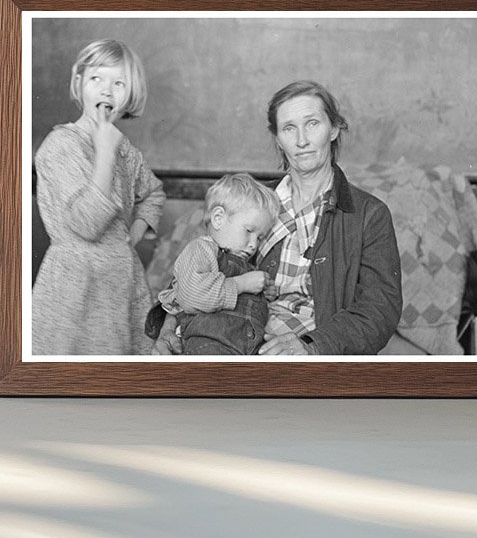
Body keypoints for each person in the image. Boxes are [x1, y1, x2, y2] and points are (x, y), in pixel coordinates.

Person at [154, 81, 403, 356]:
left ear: (333, 129)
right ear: (277, 139)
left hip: (302, 357)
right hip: (226, 342)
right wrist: (168, 330)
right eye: (289, 128)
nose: (301, 141)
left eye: (312, 124)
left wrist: (312, 346)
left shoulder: (368, 214)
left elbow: (379, 309)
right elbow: (194, 269)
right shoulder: (254, 199)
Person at [31, 39, 164, 356]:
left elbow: (153, 193)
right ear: (79, 85)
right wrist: (105, 152)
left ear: (130, 94)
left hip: (122, 283)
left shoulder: (125, 150)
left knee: (120, 382)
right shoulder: (60, 144)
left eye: (119, 83)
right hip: (75, 287)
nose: (107, 91)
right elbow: (87, 223)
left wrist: (131, 236)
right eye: (96, 79)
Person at [154, 173, 281, 355]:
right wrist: (242, 284)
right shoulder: (201, 250)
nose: (254, 244)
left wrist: (264, 293)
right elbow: (193, 295)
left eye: (259, 237)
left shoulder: (242, 261)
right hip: (209, 345)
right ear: (218, 218)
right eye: (249, 231)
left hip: (247, 346)